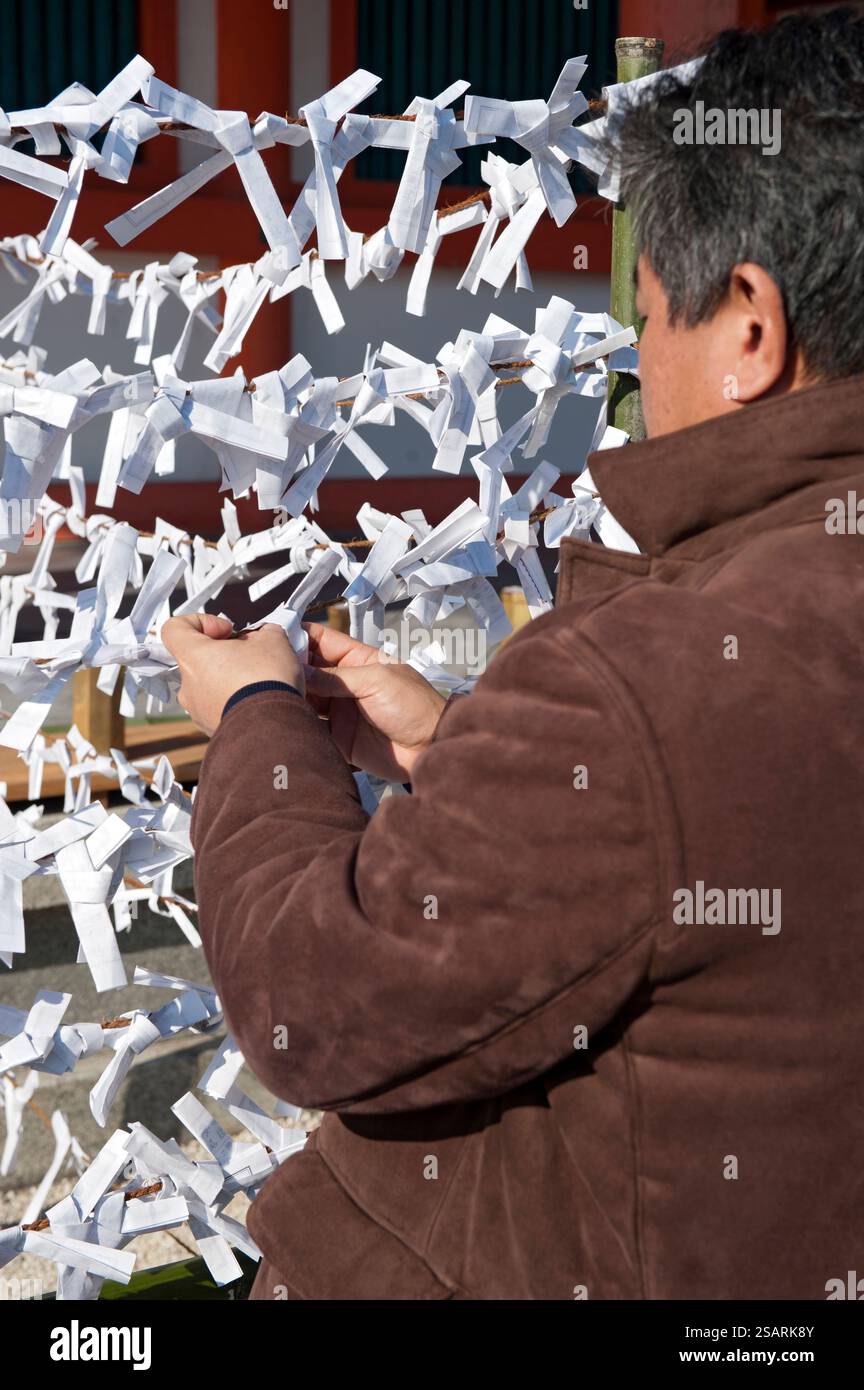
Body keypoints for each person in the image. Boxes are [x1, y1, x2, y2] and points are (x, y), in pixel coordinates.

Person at [163, 8, 864, 1300]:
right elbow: (717, 840)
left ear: (752, 330)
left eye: (649, 315)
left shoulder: (659, 680)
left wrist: (257, 717)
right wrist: (460, 744)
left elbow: (315, 994)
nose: (638, 360)